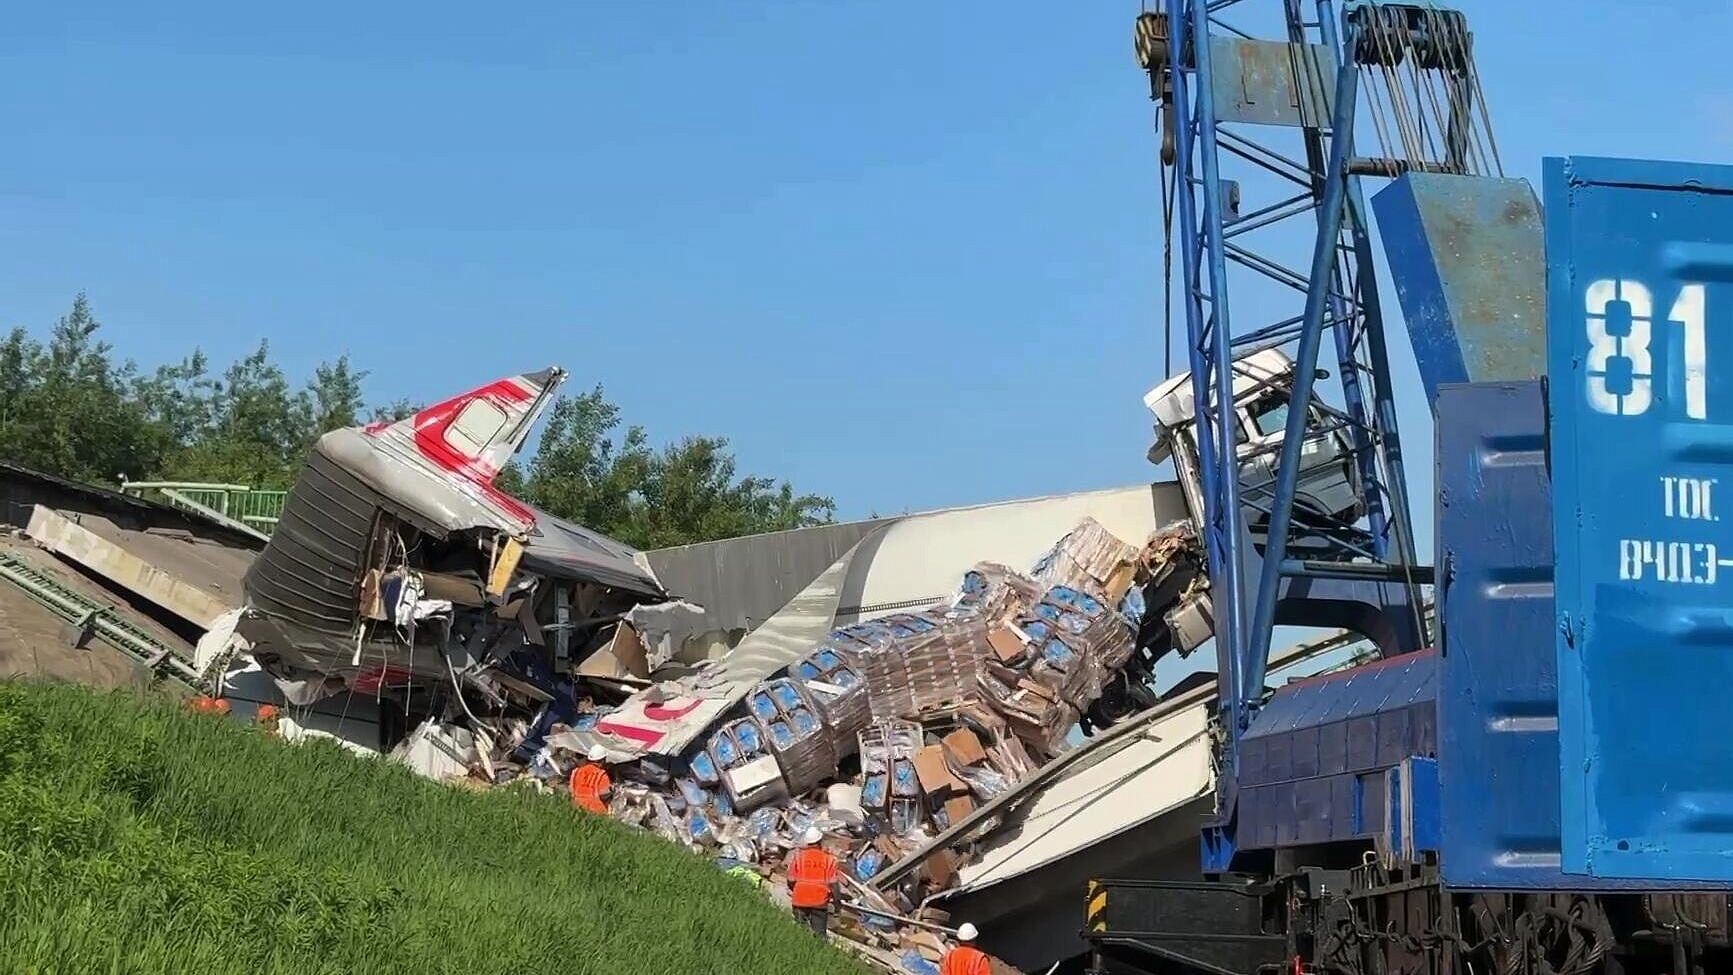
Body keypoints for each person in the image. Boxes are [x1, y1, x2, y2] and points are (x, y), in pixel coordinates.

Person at [785, 827, 839, 938]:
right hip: (819, 900)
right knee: (819, 936)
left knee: (799, 933)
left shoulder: (799, 857)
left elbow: (790, 879)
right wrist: (837, 904)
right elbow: (834, 885)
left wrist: (795, 890)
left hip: (800, 899)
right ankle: (818, 953)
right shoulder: (829, 859)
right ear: (820, 842)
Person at [569, 744, 613, 814]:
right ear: (602, 760)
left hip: (576, 808)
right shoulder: (602, 775)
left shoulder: (576, 771)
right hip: (596, 810)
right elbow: (605, 796)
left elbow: (571, 790)